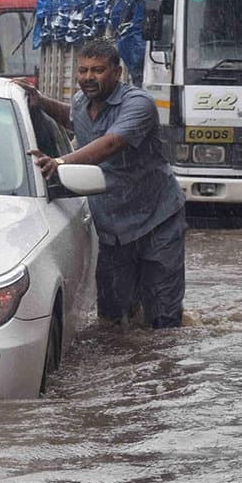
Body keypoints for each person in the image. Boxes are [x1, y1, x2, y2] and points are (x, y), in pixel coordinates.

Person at [19, 38, 186, 329]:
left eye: (97, 70)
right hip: (112, 229)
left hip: (156, 221)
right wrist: (41, 102)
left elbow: (110, 143)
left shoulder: (138, 104)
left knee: (163, 317)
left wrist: (60, 162)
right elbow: (75, 121)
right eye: (83, 71)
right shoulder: (81, 102)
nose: (88, 78)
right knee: (111, 317)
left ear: (117, 72)